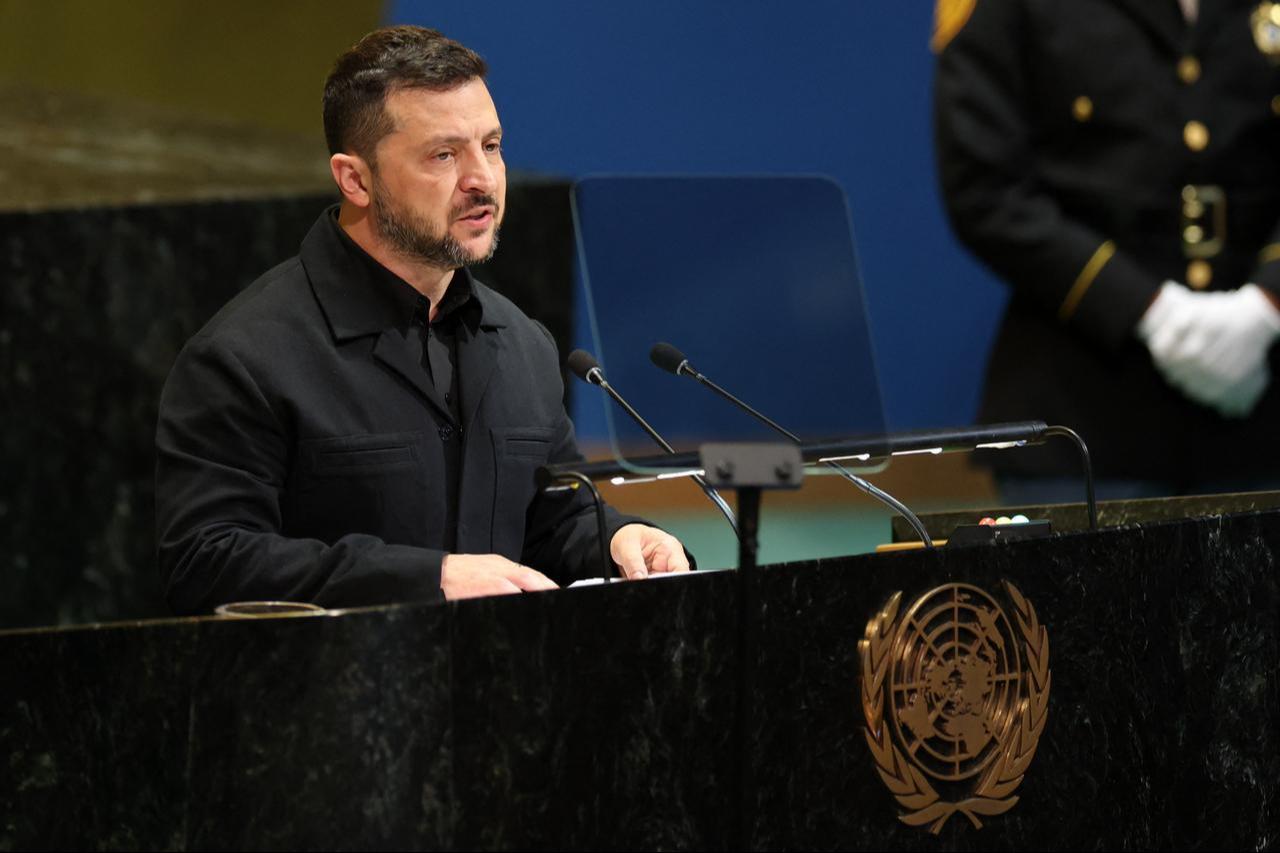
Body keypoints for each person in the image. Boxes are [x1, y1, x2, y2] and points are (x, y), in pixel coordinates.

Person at [155, 26, 690, 613]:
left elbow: (550, 518)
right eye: (444, 155)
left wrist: (617, 538)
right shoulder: (244, 358)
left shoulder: (521, 344)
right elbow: (208, 560)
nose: (482, 180)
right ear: (355, 179)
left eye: (491, 146)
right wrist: (426, 578)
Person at [933, 0, 1280, 500]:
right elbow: (984, 189)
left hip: (1268, 407)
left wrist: (1267, 306)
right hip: (1083, 422)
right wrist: (1153, 312)